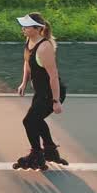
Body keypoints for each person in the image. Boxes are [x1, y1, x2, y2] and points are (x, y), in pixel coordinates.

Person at [12, 12, 68, 171]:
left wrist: (56, 101)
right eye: (23, 25)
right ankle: (50, 150)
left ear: (37, 29)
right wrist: (24, 82)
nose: (23, 28)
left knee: (29, 121)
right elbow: (27, 62)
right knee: (36, 120)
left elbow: (54, 75)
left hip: (51, 93)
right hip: (41, 92)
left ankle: (36, 154)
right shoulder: (29, 41)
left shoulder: (44, 47)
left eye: (26, 26)